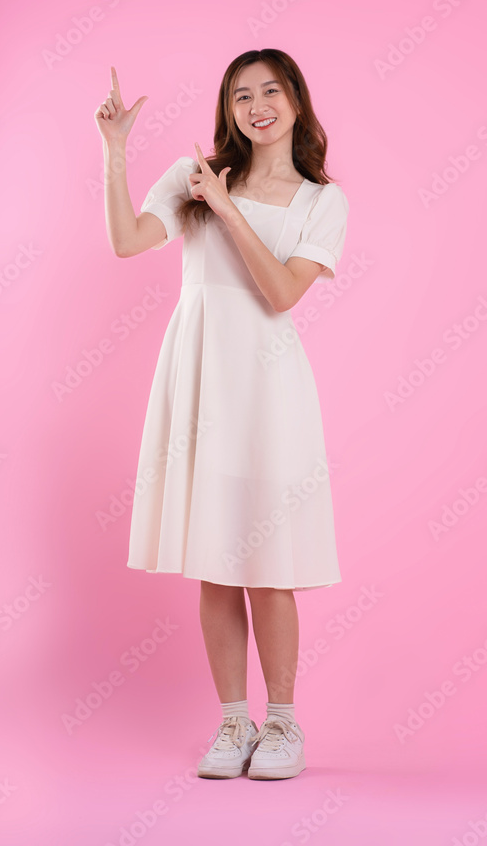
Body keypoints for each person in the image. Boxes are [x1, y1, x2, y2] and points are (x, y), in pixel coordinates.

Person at [95, 49, 349, 780]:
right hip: (201, 377)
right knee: (216, 561)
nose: (256, 106)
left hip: (268, 389)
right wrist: (115, 151)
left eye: (270, 92)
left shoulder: (321, 200)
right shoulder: (194, 176)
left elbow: (281, 293)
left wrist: (228, 207)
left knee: (269, 566)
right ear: (227, 108)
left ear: (296, 102)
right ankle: (235, 721)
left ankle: (284, 724)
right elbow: (127, 242)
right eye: (241, 95)